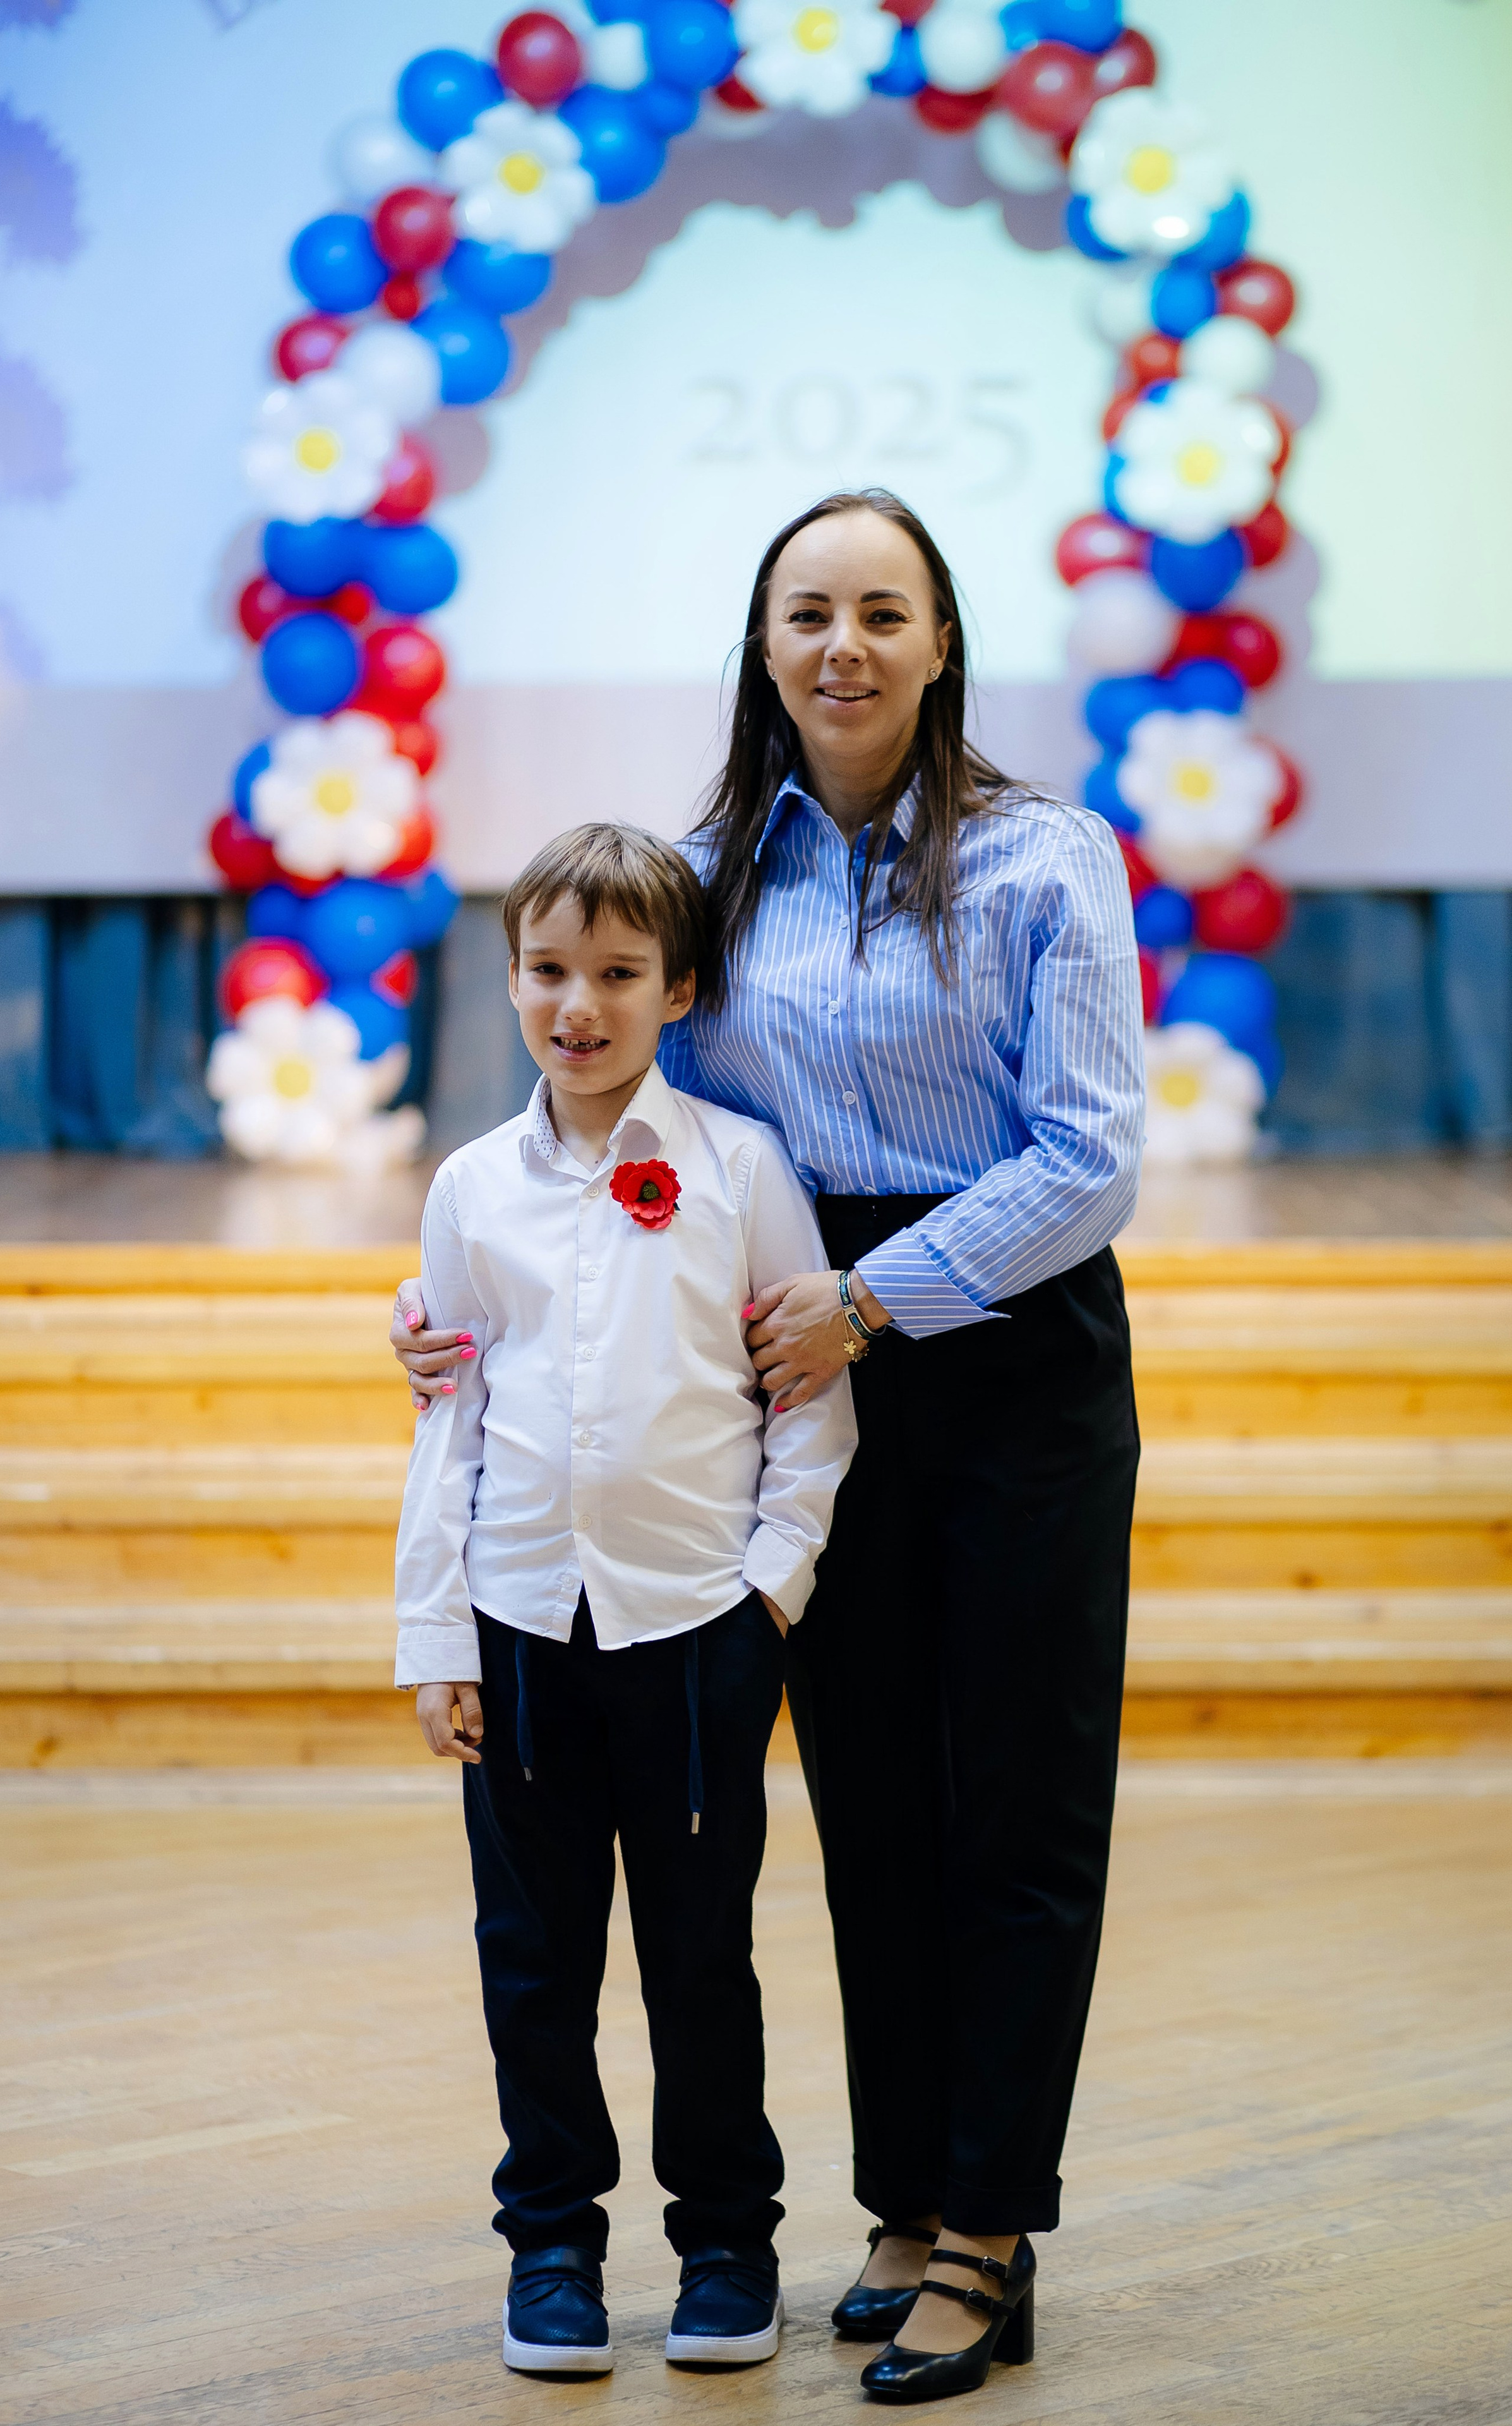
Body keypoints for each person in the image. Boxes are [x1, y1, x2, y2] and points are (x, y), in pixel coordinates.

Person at [394, 489, 1144, 2405]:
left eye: (884, 611)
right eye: (809, 610)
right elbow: (643, 1136)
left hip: (998, 1348)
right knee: (872, 1805)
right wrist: (472, 1312)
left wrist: (881, 1301)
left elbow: (1090, 1155)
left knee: (1021, 1807)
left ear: (944, 639)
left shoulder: (1050, 859)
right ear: (763, 640)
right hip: (793, 1354)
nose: (845, 646)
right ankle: (902, 2204)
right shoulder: (712, 869)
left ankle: (993, 2223)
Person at [395, 821, 856, 2380]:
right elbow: (447, 1414)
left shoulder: (738, 1168)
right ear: (508, 978)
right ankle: (552, 2254)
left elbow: (807, 1404)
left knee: (696, 1957)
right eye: (545, 970)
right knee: (531, 1962)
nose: (576, 1004)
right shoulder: (469, 1188)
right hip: (523, 1629)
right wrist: (436, 1637)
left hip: (690, 1634)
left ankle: (727, 2244)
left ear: (679, 989)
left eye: (615, 973)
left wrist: (768, 1594)